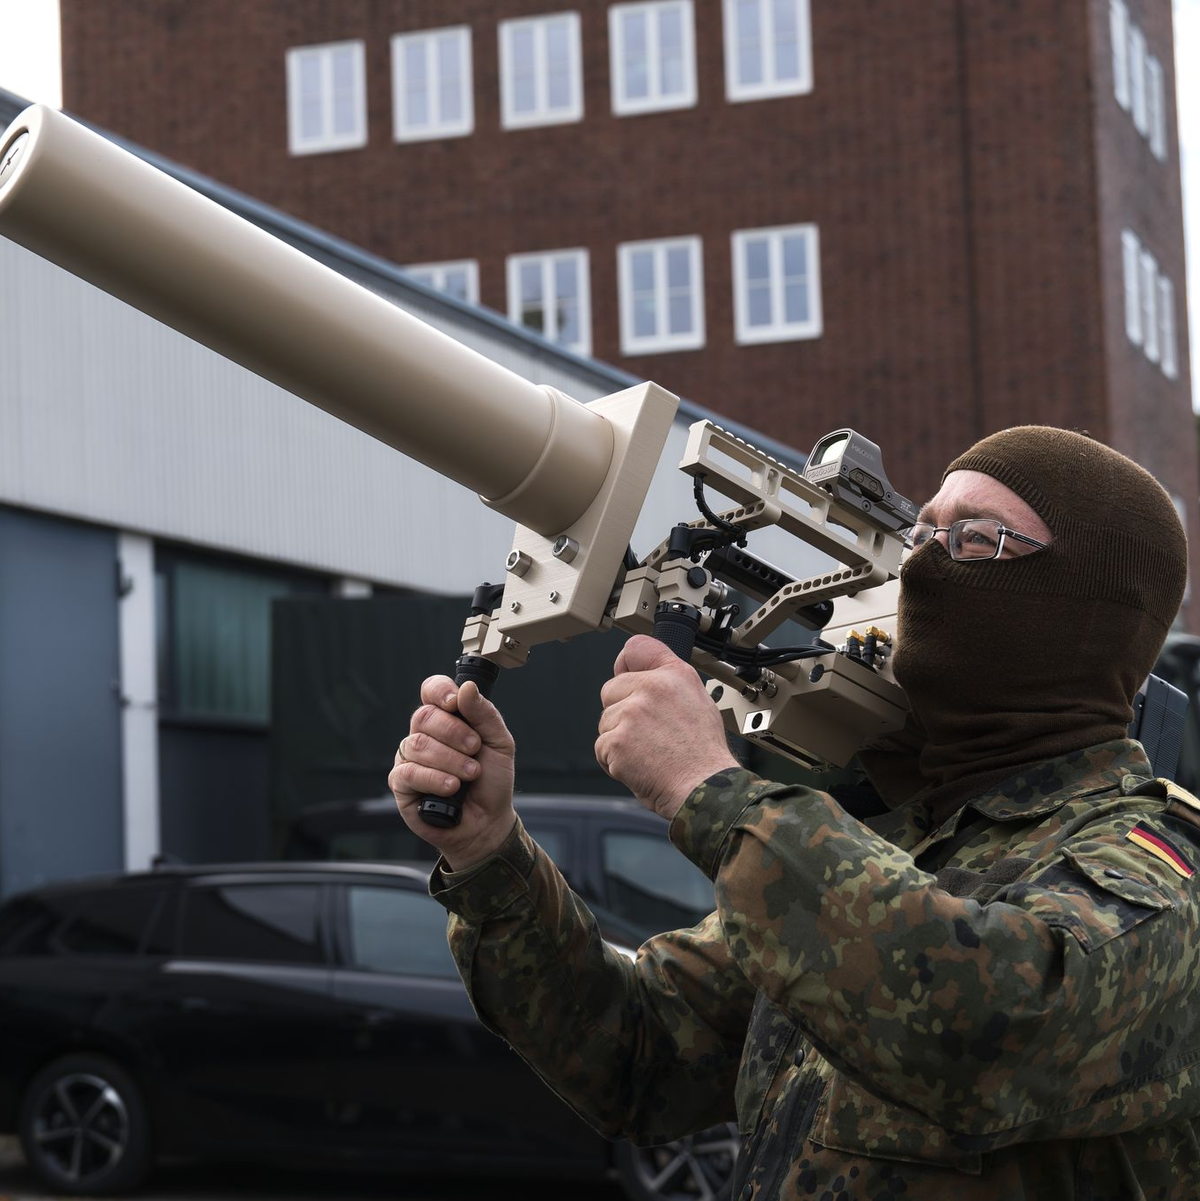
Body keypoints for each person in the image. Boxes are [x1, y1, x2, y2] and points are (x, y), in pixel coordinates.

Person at [389, 426, 1200, 1199]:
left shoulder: (1150, 868)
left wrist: (712, 790)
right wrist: (490, 853)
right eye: (922, 534)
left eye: (976, 540)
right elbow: (638, 1051)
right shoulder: (895, 846)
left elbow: (991, 1034)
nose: (922, 570)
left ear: (1090, 612)